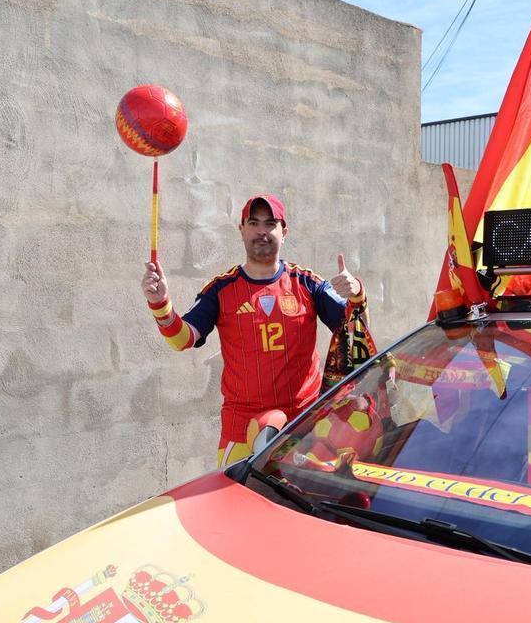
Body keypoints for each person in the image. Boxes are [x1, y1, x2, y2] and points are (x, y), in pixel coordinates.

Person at [141, 194, 364, 466]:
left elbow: (353, 330)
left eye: (270, 224)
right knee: (238, 507)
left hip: (306, 426)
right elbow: (182, 339)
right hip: (241, 430)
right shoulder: (221, 289)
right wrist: (160, 303)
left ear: (284, 232)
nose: (262, 231)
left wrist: (356, 294)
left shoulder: (308, 283)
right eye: (254, 223)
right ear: (242, 229)